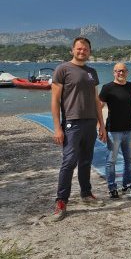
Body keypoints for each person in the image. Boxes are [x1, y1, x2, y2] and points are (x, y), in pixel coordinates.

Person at [50, 37, 107, 221]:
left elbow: (96, 101)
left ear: (89, 51)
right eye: (79, 49)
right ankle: (61, 201)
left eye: (85, 49)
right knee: (69, 162)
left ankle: (86, 193)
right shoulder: (62, 69)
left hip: (90, 121)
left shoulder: (92, 72)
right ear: (72, 50)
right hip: (72, 123)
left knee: (86, 160)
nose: (82, 51)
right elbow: (55, 100)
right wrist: (57, 127)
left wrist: (102, 125)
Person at [99, 62, 131, 199]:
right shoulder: (107, 88)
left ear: (127, 72)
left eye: (123, 71)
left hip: (129, 130)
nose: (121, 73)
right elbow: (99, 108)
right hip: (113, 131)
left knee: (129, 160)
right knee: (111, 161)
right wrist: (100, 127)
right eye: (118, 71)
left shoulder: (130, 87)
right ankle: (112, 187)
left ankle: (127, 184)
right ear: (114, 72)